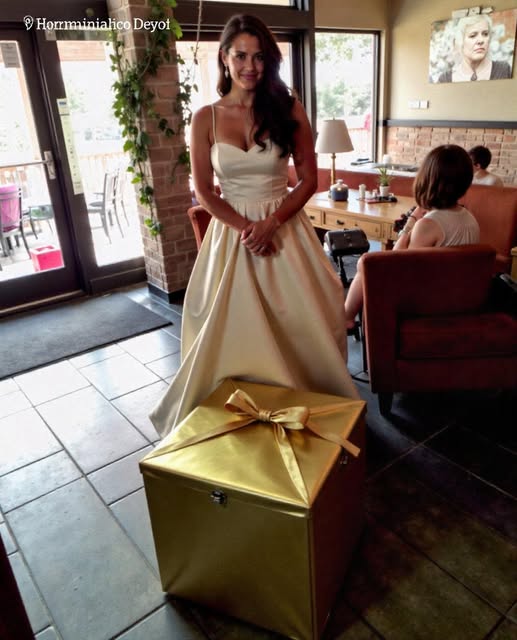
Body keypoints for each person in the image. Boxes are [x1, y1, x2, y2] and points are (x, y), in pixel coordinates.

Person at [150, 14, 359, 438]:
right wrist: (249, 228)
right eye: (241, 56)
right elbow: (204, 191)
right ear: (224, 58)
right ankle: (241, 419)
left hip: (284, 228)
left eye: (259, 57)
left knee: (299, 321)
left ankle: (305, 408)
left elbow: (309, 180)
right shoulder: (205, 118)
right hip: (232, 234)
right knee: (229, 325)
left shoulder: (288, 108)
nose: (250, 66)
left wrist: (272, 223)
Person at [344, 144, 480, 329]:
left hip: (429, 302)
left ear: (428, 179)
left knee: (364, 264)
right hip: (459, 297)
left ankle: (347, 318)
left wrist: (411, 222)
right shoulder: (470, 219)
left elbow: (399, 262)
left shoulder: (428, 224)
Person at [438, 14, 511, 83]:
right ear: (461, 41)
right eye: (473, 36)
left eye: (485, 34)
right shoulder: (445, 79)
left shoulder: (504, 70)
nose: (481, 40)